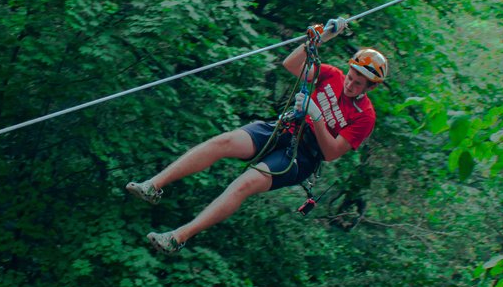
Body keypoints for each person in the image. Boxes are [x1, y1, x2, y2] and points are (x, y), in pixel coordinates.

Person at [125, 18, 388, 254]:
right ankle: (153, 185)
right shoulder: (332, 75)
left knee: (244, 184)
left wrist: (316, 115)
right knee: (223, 141)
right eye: (351, 77)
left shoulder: (365, 116)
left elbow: (331, 153)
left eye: (358, 84)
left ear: (371, 87)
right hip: (286, 129)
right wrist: (322, 37)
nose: (350, 85)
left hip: (303, 156)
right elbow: (291, 64)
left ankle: (177, 238)